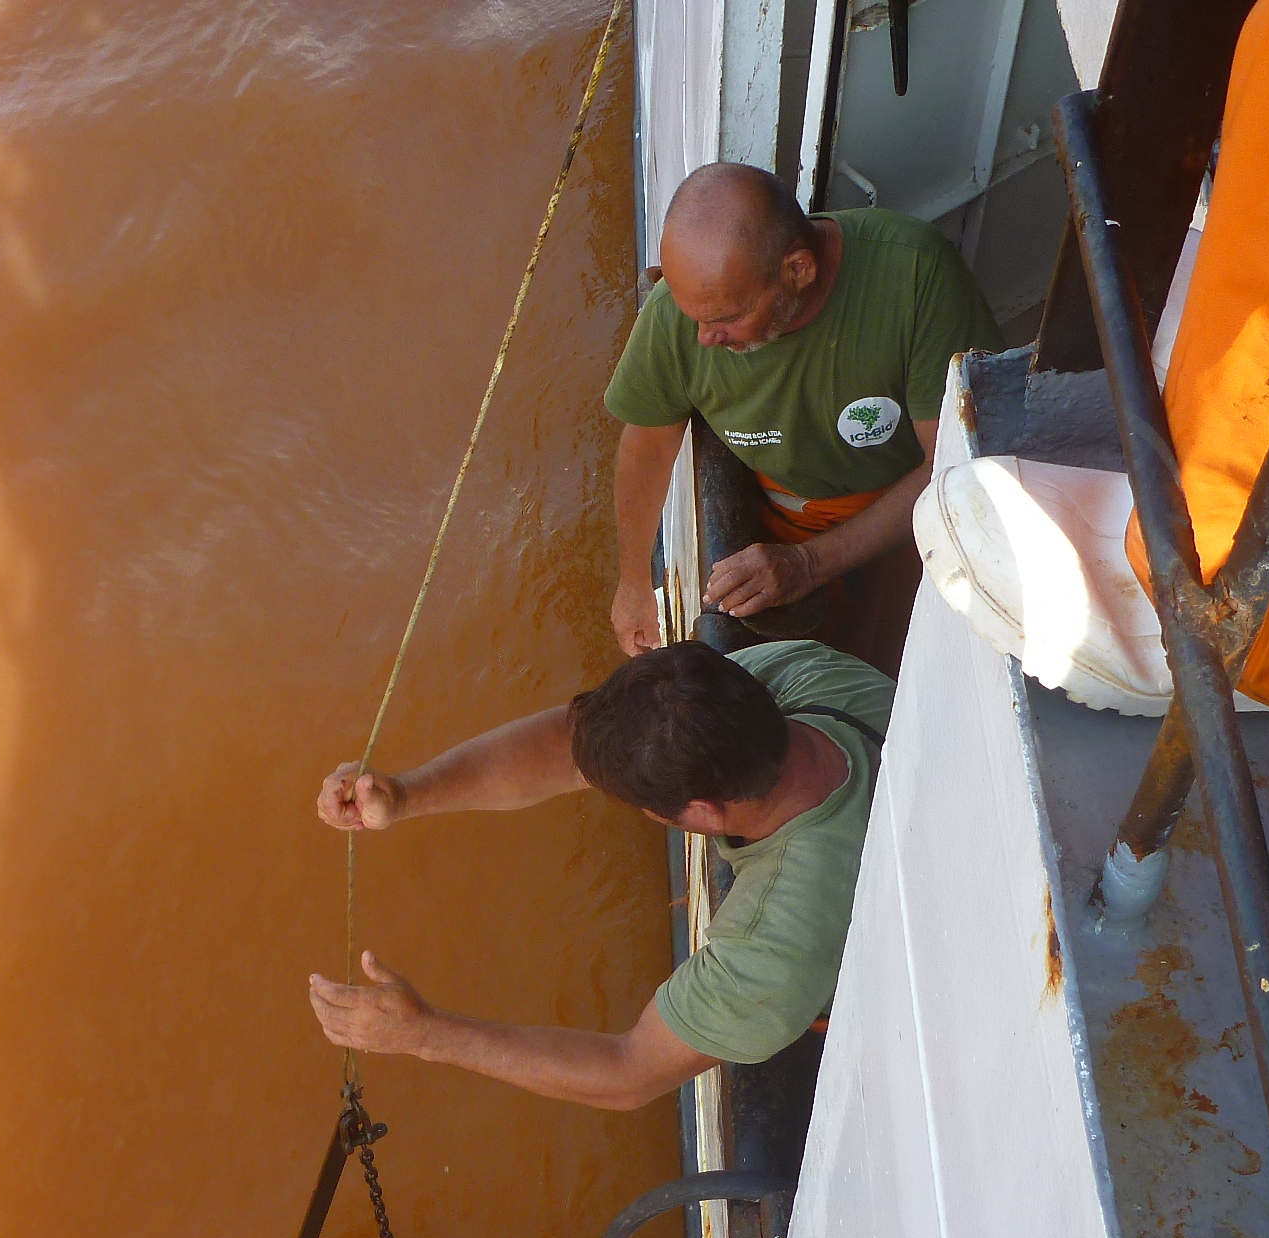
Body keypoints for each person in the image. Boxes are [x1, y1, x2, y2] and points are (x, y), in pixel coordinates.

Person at [306, 640, 892, 1109]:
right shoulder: (796, 675)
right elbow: (569, 748)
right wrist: (407, 794)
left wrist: (423, 1035)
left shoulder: (775, 949)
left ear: (700, 815)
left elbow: (629, 1071)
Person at [606, 162, 1003, 672]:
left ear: (799, 270)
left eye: (727, 318)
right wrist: (634, 581)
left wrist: (811, 564)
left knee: (908, 666)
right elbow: (646, 449)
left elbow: (955, 465)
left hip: (910, 517)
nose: (706, 339)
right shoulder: (674, 319)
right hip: (786, 515)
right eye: (694, 318)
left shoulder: (916, 276)